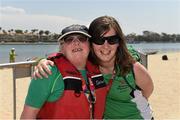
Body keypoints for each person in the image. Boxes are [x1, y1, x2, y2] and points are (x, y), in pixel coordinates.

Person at [33, 16, 154, 119]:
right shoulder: (88, 64)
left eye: (112, 40)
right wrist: (42, 61)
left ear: (119, 42)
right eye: (99, 40)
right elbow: (65, 57)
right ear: (91, 42)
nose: (106, 46)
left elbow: (147, 91)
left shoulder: (133, 68)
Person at [21, 24, 107, 119]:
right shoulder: (47, 73)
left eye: (82, 38)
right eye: (69, 39)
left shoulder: (99, 69)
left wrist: (39, 59)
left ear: (89, 45)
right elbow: (28, 116)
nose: (76, 42)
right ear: (62, 47)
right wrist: (40, 60)